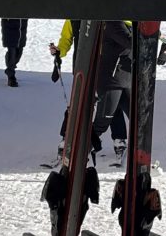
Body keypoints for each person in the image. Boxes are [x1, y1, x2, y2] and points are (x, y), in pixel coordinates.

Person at [50, 17, 132, 158]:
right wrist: (59, 51)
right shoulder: (74, 17)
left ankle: (118, 139)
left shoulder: (110, 18)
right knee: (80, 103)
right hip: (84, 68)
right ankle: (67, 139)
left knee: (112, 102)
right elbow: (66, 38)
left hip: (105, 68)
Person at [1, 18, 27, 88]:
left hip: (21, 33)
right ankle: (11, 76)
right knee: (12, 54)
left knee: (18, 54)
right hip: (10, 32)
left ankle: (10, 67)